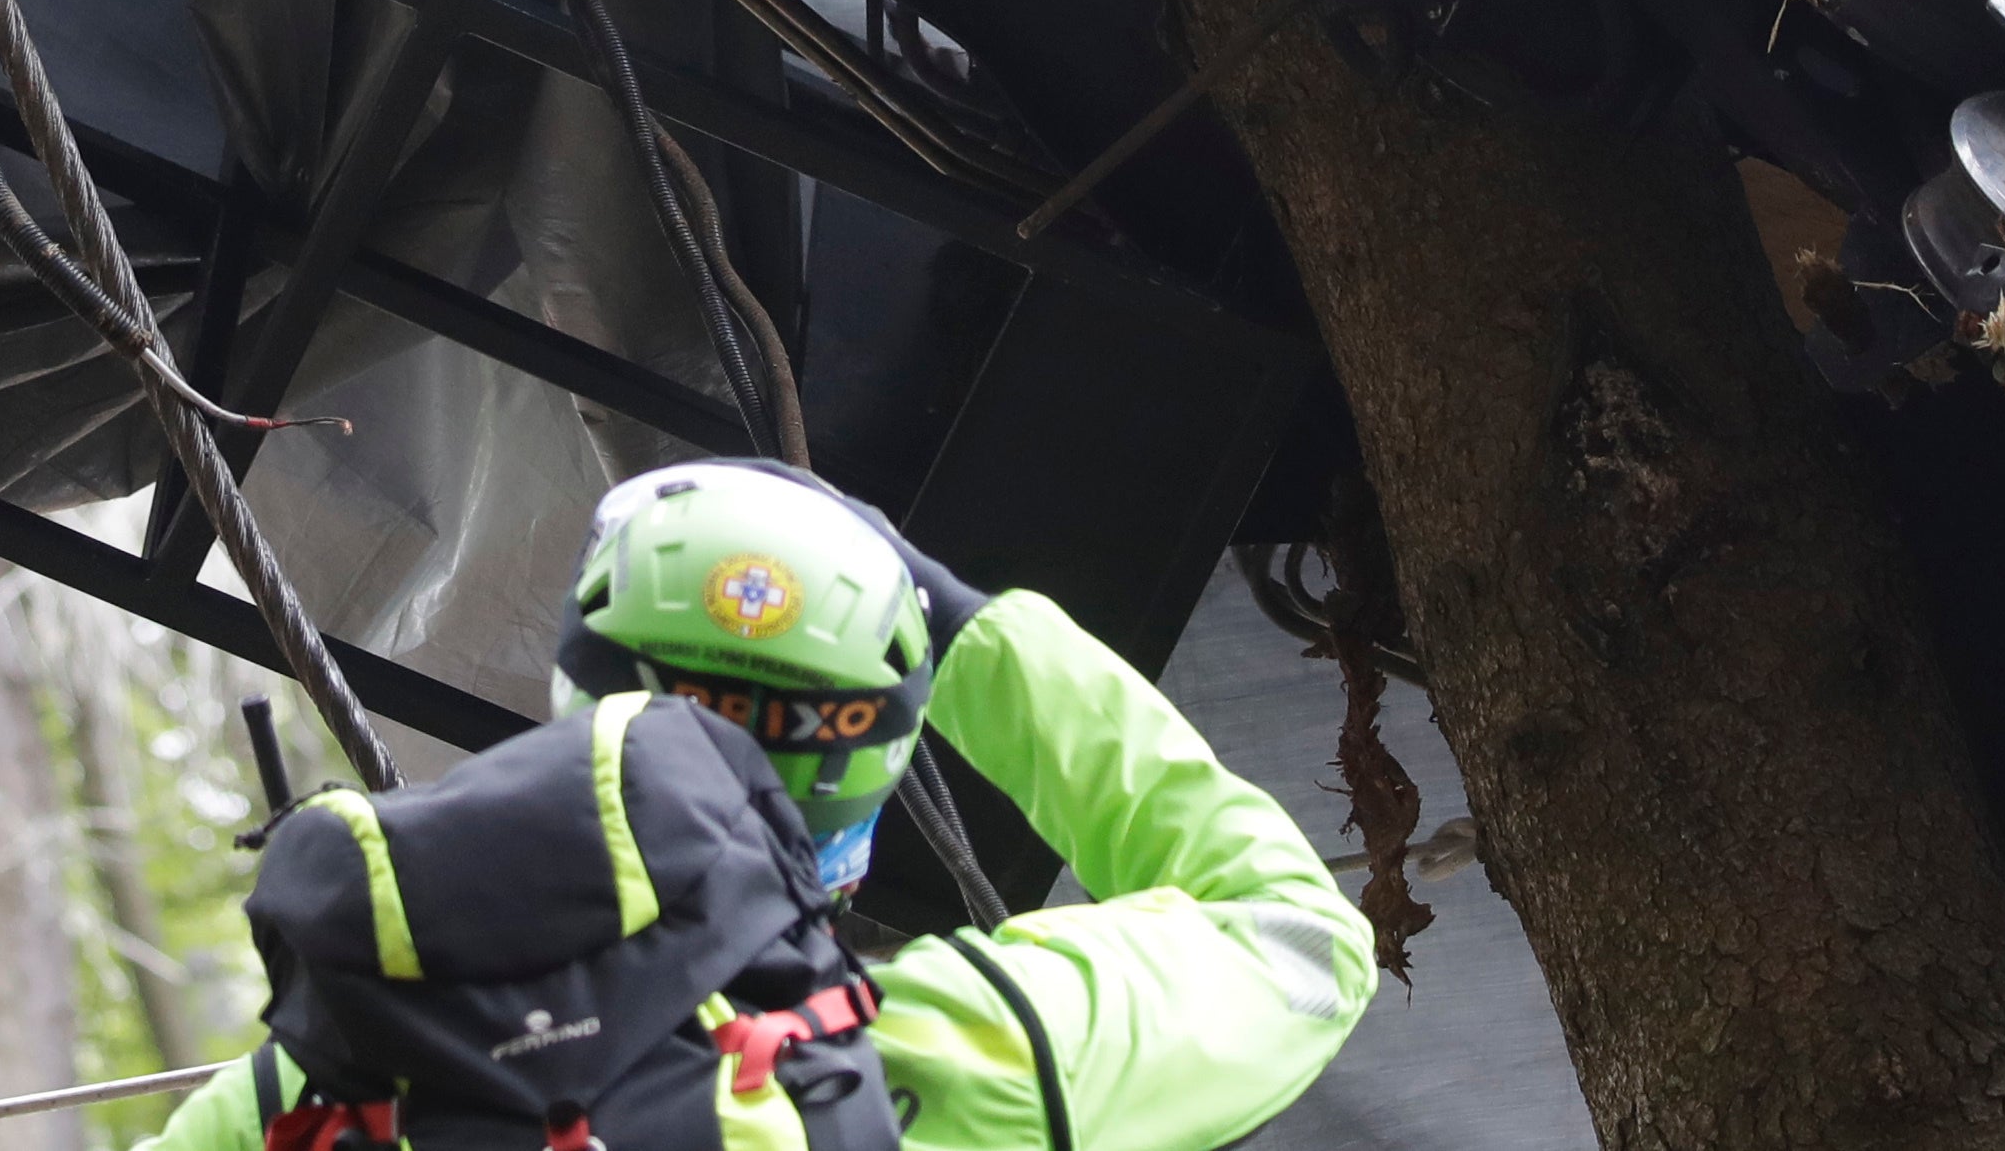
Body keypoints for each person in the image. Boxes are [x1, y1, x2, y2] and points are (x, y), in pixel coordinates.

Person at [137, 461, 1371, 1151]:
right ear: (872, 756)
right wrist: (973, 637)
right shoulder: (960, 1054)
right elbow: (1298, 942)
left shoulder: (317, 1094)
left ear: (585, 706)